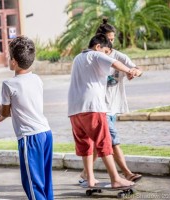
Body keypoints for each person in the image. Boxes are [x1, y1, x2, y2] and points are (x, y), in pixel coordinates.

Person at [0, 36, 53, 199]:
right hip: (46, 134)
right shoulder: (36, 79)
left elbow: (5, 112)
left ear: (13, 62)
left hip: (29, 138)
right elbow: (22, 108)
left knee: (33, 184)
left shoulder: (9, 84)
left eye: (9, 56)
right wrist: (2, 116)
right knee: (46, 182)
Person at [68, 33, 141, 188]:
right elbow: (114, 62)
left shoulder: (77, 58)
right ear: (98, 46)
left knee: (85, 145)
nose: (107, 55)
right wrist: (130, 71)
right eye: (106, 51)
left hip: (74, 110)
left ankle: (91, 179)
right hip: (93, 106)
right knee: (104, 142)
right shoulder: (95, 54)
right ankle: (115, 178)